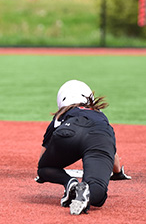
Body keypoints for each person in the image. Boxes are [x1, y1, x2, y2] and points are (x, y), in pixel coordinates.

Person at [36, 80, 131, 215]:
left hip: (69, 132)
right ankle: (86, 191)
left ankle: (70, 184)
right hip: (99, 137)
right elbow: (112, 156)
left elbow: (42, 159)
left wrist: (45, 171)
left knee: (45, 169)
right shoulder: (100, 115)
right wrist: (117, 173)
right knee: (97, 194)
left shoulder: (60, 115)